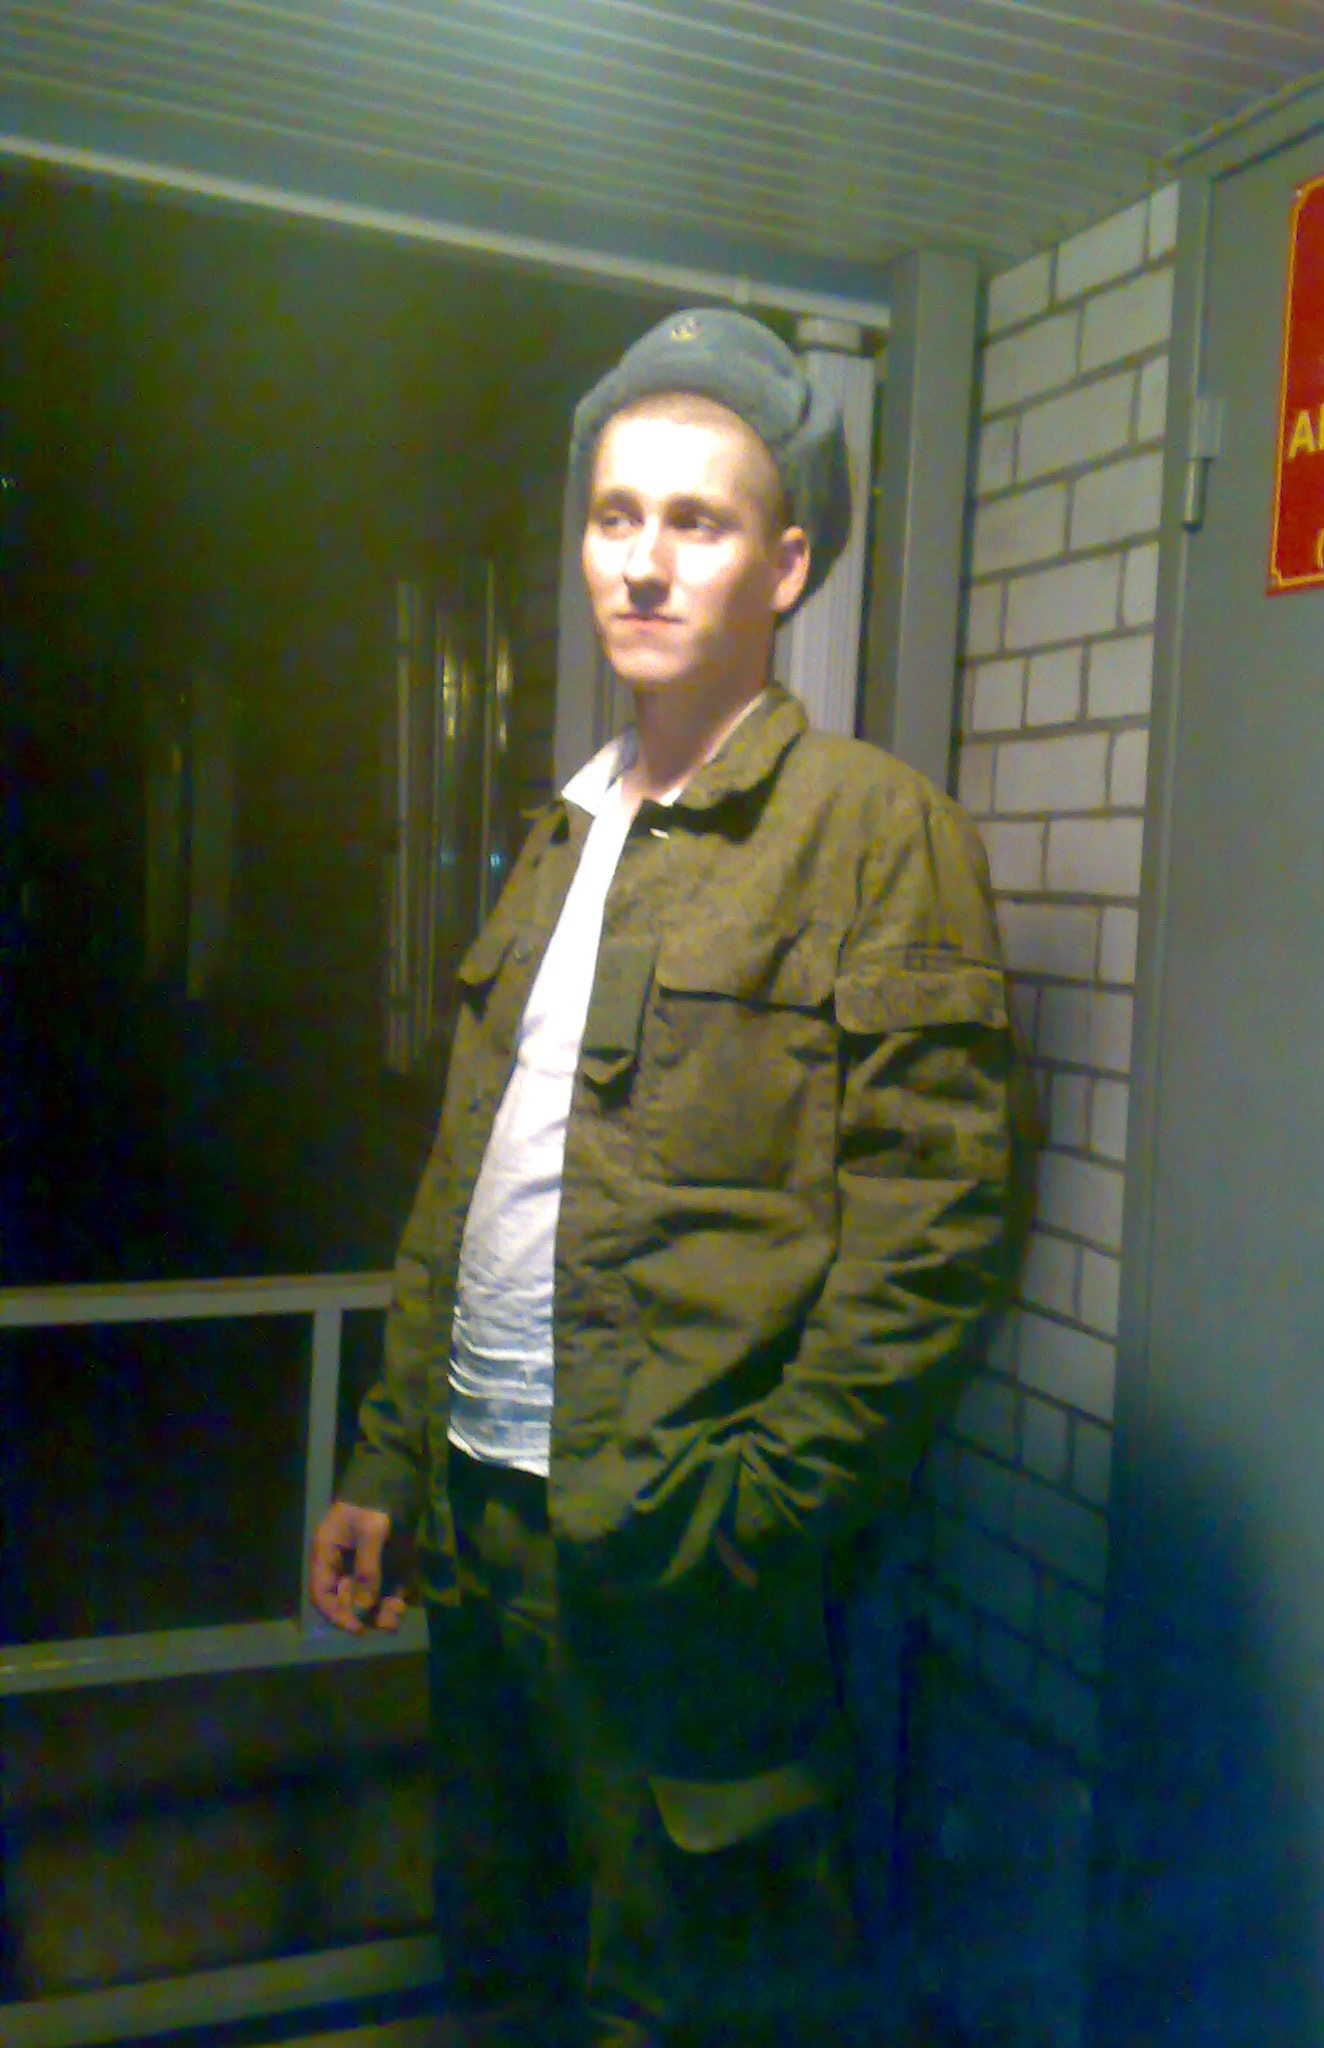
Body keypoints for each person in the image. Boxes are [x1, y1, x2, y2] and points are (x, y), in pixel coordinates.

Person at [310, 306, 1030, 2047]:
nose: (642, 562)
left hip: (679, 1558)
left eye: (697, 523)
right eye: (616, 516)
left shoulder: (871, 833)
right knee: (505, 1960)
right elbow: (468, 1186)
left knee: (685, 1998)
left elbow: (935, 1239)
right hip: (482, 1530)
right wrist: (392, 1456)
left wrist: (755, 1520)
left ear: (786, 569)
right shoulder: (560, 835)